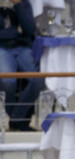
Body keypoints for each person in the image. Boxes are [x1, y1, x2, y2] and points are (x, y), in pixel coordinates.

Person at [0, 0, 44, 131]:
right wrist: (16, 31)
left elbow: (30, 29)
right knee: (8, 81)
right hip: (2, 48)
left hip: (23, 47)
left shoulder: (24, 3)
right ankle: (19, 120)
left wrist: (18, 5)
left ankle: (16, 118)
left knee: (40, 78)